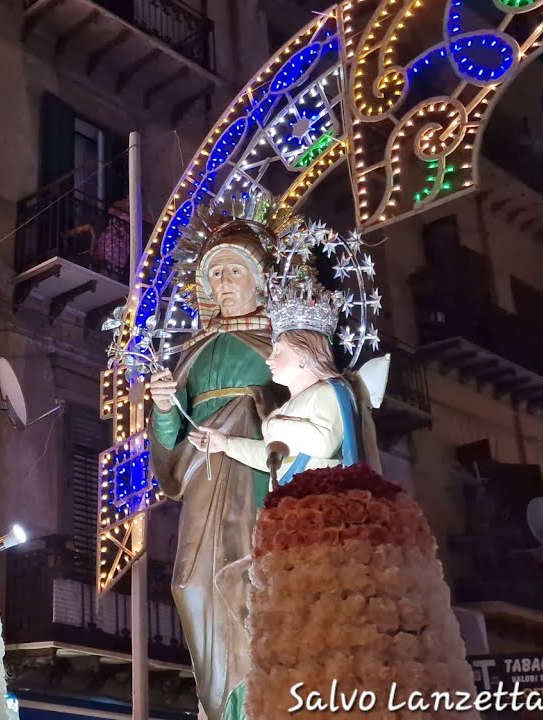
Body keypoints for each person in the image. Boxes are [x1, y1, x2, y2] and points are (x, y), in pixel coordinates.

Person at [147, 220, 281, 720]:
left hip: (258, 474)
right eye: (215, 273)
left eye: (233, 271)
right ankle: (220, 699)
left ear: (259, 280)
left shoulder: (282, 343)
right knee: (191, 582)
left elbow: (305, 413)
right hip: (204, 471)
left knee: (252, 579)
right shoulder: (196, 352)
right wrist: (164, 406)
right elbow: (168, 440)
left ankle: (255, 698)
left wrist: (249, 417)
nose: (223, 282)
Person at [189, 327, 381, 483]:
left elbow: (323, 443)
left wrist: (274, 425)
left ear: (304, 358)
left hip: (320, 497)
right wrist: (226, 444)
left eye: (278, 351)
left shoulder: (327, 392)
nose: (269, 359)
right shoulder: (289, 405)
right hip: (290, 499)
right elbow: (275, 459)